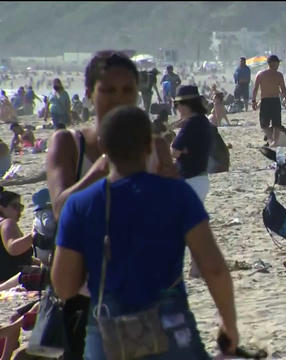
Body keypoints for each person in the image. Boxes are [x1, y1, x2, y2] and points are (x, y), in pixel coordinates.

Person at [51, 105, 239, 358]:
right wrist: (229, 323)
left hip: (107, 336)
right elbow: (214, 268)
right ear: (149, 145)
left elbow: (64, 286)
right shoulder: (177, 194)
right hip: (171, 329)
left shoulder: (80, 204)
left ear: (104, 148)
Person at [46, 50, 178, 359]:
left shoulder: (155, 147)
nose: (119, 98)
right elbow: (60, 209)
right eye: (108, 90)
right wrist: (99, 172)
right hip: (82, 301)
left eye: (127, 90)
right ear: (90, 92)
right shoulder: (68, 143)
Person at [170, 85, 212, 278]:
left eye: (178, 104)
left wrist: (181, 149)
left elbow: (175, 150)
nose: (177, 109)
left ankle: (194, 268)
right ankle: (195, 269)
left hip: (191, 179)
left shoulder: (191, 124)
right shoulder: (202, 122)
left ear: (187, 104)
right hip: (200, 178)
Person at [251, 54, 286, 147]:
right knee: (264, 124)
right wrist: (253, 101)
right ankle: (271, 140)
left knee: (276, 123)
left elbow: (283, 89)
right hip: (265, 100)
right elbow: (255, 88)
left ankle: (275, 142)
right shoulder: (261, 74)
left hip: (275, 100)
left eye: (278, 63)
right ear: (271, 63)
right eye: (277, 63)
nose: (278, 65)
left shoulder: (279, 75)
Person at [0, 187, 34, 283]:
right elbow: (13, 248)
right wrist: (34, 235)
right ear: (1, 208)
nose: (19, 211)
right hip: (11, 280)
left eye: (20, 207)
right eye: (15, 206)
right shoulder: (7, 223)